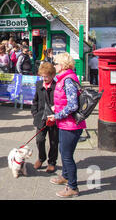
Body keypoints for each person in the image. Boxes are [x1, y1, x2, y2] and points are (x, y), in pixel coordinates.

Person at [48, 52, 85, 198]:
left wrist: (56, 115)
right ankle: (65, 176)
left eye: (56, 63)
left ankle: (73, 187)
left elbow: (72, 106)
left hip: (71, 125)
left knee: (67, 156)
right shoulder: (64, 78)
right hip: (65, 123)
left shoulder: (68, 80)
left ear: (63, 65)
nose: (54, 65)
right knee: (63, 152)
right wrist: (56, 108)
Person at [31, 62, 58, 173]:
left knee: (54, 141)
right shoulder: (38, 84)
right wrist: (34, 112)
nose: (44, 78)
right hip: (41, 117)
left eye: (46, 76)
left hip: (53, 117)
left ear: (52, 75)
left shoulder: (57, 86)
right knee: (39, 140)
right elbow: (35, 100)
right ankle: (41, 158)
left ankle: (52, 162)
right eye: (42, 76)